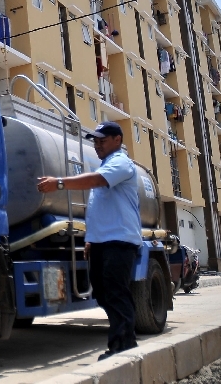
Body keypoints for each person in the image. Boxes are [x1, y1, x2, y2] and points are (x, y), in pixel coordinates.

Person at [37, 121, 142, 361]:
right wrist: (91, 240)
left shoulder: (121, 163)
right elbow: (99, 209)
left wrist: (59, 183)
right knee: (103, 292)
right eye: (94, 141)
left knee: (115, 291)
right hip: (101, 242)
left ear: (118, 140)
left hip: (120, 240)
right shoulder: (106, 165)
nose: (97, 145)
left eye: (102, 141)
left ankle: (123, 346)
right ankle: (124, 335)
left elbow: (96, 181)